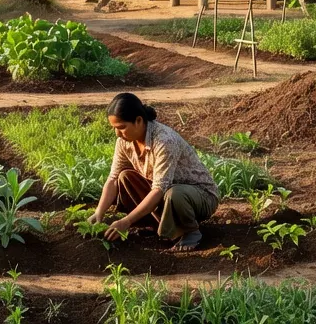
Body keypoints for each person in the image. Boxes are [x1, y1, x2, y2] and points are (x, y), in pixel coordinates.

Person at [90, 92, 220, 252]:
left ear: (138, 120)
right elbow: (112, 179)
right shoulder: (124, 142)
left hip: (199, 196)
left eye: (121, 128)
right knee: (125, 178)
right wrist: (99, 213)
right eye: (114, 128)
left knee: (174, 194)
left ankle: (190, 232)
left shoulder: (164, 141)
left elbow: (159, 189)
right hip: (166, 193)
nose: (117, 134)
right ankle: (153, 225)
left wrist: (126, 221)